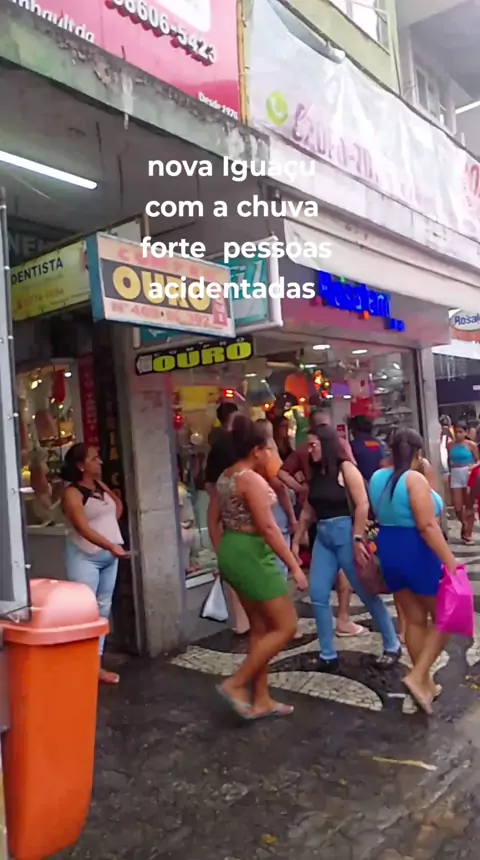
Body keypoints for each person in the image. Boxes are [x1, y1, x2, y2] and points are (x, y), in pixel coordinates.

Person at [207, 415, 308, 719]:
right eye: (269, 448)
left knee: (260, 629)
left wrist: (222, 551)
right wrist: (294, 566)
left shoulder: (226, 476)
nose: (271, 453)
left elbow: (213, 519)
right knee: (286, 626)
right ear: (256, 450)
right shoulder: (250, 479)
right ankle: (236, 684)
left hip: (233, 549)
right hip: (252, 553)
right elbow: (268, 527)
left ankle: (261, 699)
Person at [293, 425, 400, 671]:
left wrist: (357, 538)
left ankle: (392, 644)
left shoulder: (346, 468)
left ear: (326, 444)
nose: (309, 450)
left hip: (346, 535)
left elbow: (362, 503)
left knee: (366, 592)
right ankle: (327, 654)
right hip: (324, 536)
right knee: (318, 593)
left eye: (313, 445)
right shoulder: (317, 473)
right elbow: (309, 509)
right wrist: (297, 539)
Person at [369, 429, 458, 714]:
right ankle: (418, 677)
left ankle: (426, 685)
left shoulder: (378, 477)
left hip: (390, 549)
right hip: (416, 550)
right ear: (418, 453)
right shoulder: (413, 479)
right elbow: (427, 525)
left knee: (415, 619)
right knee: (448, 616)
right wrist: (450, 560)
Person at [280, 410, 366, 638]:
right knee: (336, 578)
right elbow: (353, 471)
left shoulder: (307, 452)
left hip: (327, 520)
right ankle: (342, 619)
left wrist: (302, 489)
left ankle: (340, 624)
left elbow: (282, 473)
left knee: (334, 578)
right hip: (329, 518)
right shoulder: (336, 448)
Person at [61, 443, 128, 685]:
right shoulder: (72, 493)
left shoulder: (99, 487)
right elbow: (82, 527)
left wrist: (104, 487)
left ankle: (95, 666)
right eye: (94, 458)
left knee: (102, 611)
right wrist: (110, 545)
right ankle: (80, 664)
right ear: (81, 465)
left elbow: (117, 510)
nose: (99, 461)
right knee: (85, 612)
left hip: (109, 556)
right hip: (85, 557)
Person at [448, 420, 478, 544]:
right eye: (456, 432)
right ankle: (464, 523)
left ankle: (467, 533)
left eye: (460, 432)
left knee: (469, 504)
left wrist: (472, 467)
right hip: (455, 473)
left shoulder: (471, 445)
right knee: (457, 506)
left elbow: (478, 460)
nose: (458, 434)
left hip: (468, 473)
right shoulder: (450, 445)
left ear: (466, 432)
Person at [349, 415, 389, 481]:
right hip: (381, 481)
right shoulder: (379, 444)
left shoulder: (353, 446)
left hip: (363, 483)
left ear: (355, 430)